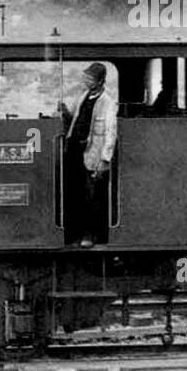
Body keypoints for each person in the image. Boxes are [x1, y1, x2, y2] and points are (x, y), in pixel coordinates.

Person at [57, 63, 117, 247]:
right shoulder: (84, 96)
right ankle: (74, 232)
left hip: (92, 155)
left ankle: (91, 235)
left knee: (92, 197)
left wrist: (105, 159)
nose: (86, 81)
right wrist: (65, 112)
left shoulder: (108, 102)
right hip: (75, 152)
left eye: (90, 78)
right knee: (76, 193)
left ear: (100, 81)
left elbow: (110, 132)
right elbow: (77, 119)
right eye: (86, 77)